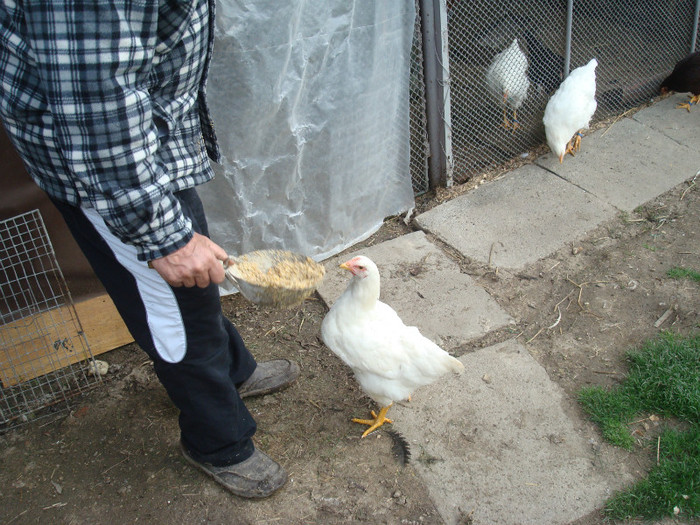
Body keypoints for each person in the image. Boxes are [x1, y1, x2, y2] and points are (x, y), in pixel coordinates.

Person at [0, 1, 297, 498]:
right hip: (108, 175)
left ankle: (233, 372)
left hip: (144, 156)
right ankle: (217, 441)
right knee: (177, 311)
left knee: (195, 298)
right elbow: (97, 111)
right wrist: (163, 236)